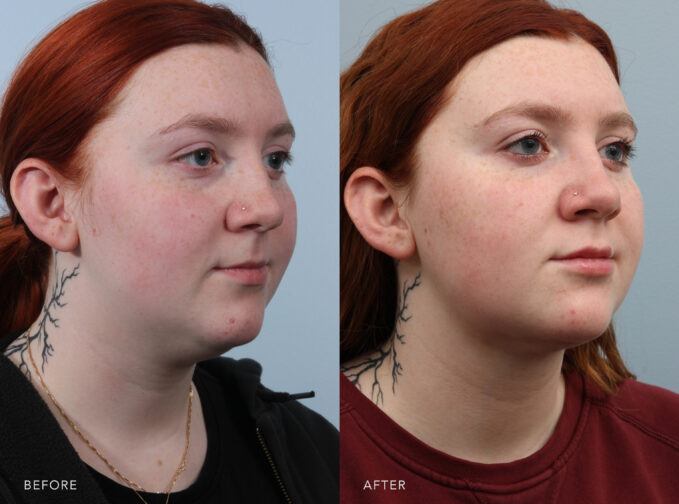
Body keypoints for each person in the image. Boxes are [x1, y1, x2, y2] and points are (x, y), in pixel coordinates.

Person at [340, 0, 679, 502]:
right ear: (387, 211)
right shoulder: (294, 456)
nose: (603, 195)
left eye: (615, 150)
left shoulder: (667, 449)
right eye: (527, 144)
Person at [0, 0, 337, 502]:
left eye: (275, 159)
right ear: (52, 204)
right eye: (200, 156)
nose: (266, 207)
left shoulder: (314, 453)